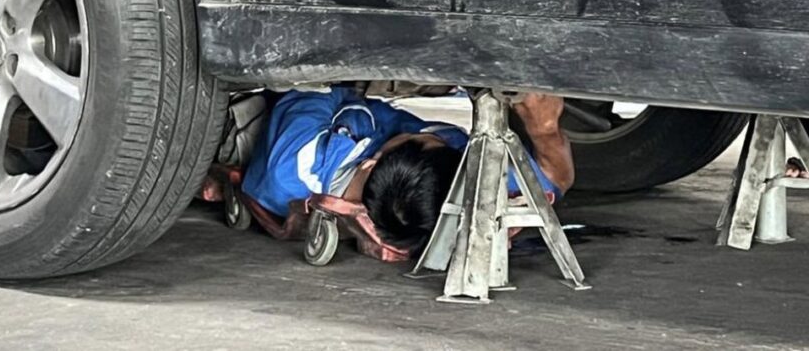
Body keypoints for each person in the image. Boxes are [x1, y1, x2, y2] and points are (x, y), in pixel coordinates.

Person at [239, 86, 574, 249]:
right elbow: (553, 180)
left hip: (286, 111)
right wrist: (544, 130)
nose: (430, 134)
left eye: (425, 139)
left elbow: (314, 84)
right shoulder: (438, 189)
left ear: (370, 162)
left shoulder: (297, 163)